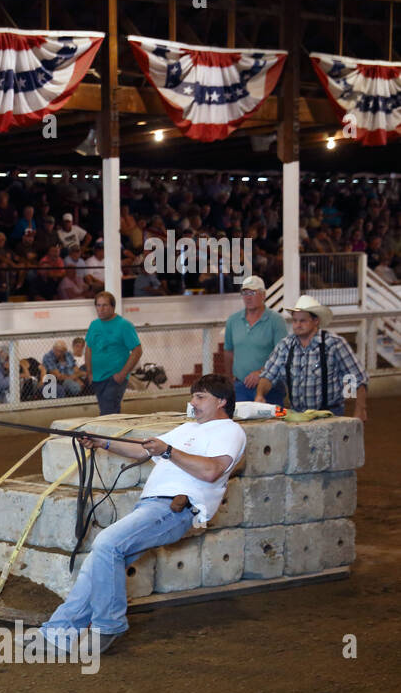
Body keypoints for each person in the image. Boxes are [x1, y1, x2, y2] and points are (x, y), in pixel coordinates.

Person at [40, 375, 246, 653]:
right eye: (192, 396)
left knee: (106, 544)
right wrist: (104, 442)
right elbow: (144, 449)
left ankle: (109, 625)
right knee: (97, 563)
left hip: (174, 509)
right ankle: (58, 634)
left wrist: (170, 451)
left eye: (200, 397)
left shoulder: (229, 431)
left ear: (222, 401)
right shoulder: (186, 429)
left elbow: (211, 471)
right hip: (153, 507)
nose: (192, 403)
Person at [255, 295, 368, 420]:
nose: (297, 325)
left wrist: (360, 410)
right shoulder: (285, 346)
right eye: (295, 321)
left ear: (316, 321)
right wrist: (260, 394)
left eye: (303, 321)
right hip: (298, 416)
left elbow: (357, 378)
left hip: (330, 415)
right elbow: (268, 375)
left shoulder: (334, 344)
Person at [223, 275, 288, 404]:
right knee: (240, 423)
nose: (248, 297)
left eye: (252, 292)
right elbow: (228, 351)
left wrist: (260, 373)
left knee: (272, 423)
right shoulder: (233, 320)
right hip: (240, 386)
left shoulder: (276, 321)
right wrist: (229, 379)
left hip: (270, 386)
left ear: (263, 295)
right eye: (244, 293)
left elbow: (282, 355)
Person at [84, 291, 142, 415]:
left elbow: (137, 350)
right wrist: (89, 372)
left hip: (114, 377)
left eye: (105, 305)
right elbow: (89, 348)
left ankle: (106, 434)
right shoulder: (94, 325)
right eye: (98, 305)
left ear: (113, 307)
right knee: (108, 411)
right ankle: (113, 433)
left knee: (108, 411)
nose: (101, 309)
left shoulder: (124, 325)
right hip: (97, 377)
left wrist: (122, 374)